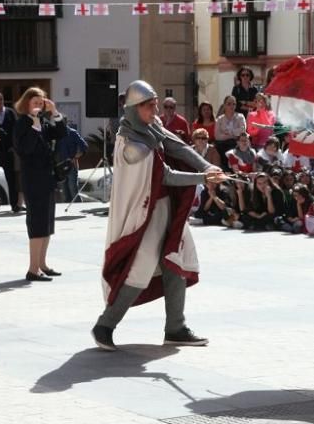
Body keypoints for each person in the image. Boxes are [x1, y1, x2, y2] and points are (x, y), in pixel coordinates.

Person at [93, 79, 226, 351]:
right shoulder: (131, 145)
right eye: (149, 106)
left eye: (156, 105)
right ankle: (105, 325)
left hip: (163, 207)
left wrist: (207, 165)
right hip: (144, 214)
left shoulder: (151, 126)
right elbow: (165, 175)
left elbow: (178, 146)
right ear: (133, 108)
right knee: (138, 269)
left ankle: (175, 327)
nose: (155, 111)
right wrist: (203, 177)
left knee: (176, 260)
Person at [13, 87, 67, 281]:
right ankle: (32, 268)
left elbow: (61, 133)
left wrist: (55, 113)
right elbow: (25, 148)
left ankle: (42, 264)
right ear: (26, 103)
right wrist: (34, 126)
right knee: (37, 223)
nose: (38, 105)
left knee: (47, 222)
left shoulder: (42, 122)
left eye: (41, 102)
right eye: (35, 102)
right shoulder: (23, 124)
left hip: (47, 178)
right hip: (33, 179)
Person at [0, 91, 21, 213]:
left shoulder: (10, 113)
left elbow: (17, 131)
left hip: (8, 151)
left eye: (0, 99)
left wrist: (14, 146)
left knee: (11, 179)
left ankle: (14, 204)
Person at [57, 117, 88, 204]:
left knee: (73, 189)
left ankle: (78, 208)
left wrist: (76, 157)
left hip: (71, 165)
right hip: (60, 165)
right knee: (64, 191)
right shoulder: (56, 134)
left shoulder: (72, 133)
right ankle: (67, 211)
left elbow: (84, 146)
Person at [214, 95, 247, 165]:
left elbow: (242, 130)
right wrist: (234, 134)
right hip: (222, 145)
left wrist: (228, 133)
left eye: (234, 104)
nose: (231, 106)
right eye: (229, 104)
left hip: (236, 143)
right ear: (224, 105)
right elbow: (217, 136)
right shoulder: (220, 119)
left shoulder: (240, 117)